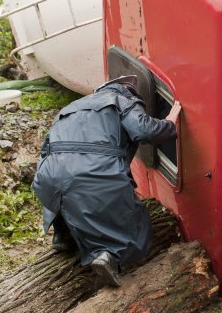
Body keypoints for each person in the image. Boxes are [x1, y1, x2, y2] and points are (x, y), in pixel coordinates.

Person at [32, 75, 181, 287]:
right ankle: (108, 255)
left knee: (65, 190)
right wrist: (169, 123)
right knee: (134, 221)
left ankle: (62, 235)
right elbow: (144, 130)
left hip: (48, 174)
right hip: (94, 173)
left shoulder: (70, 107)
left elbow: (46, 147)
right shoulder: (122, 101)